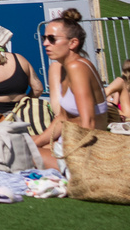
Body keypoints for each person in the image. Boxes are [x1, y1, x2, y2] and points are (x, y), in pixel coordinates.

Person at [34, 9, 105, 164]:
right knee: (19, 142)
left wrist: (77, 160)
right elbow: (62, 118)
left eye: (52, 39)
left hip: (86, 150)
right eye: (44, 38)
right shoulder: (66, 68)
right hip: (69, 141)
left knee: (16, 153)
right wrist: (37, 143)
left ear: (73, 43)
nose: (45, 43)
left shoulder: (77, 68)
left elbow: (89, 124)